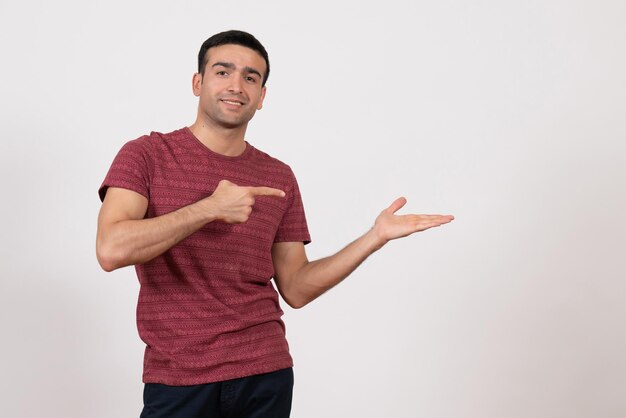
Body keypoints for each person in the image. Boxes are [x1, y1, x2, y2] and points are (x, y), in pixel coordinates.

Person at [96, 29, 454, 418]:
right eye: (223, 72)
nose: (237, 85)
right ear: (198, 83)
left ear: (262, 96)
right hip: (180, 376)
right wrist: (208, 208)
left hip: (265, 372)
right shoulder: (147, 155)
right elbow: (111, 249)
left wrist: (374, 237)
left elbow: (297, 287)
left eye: (251, 77)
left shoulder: (277, 175)